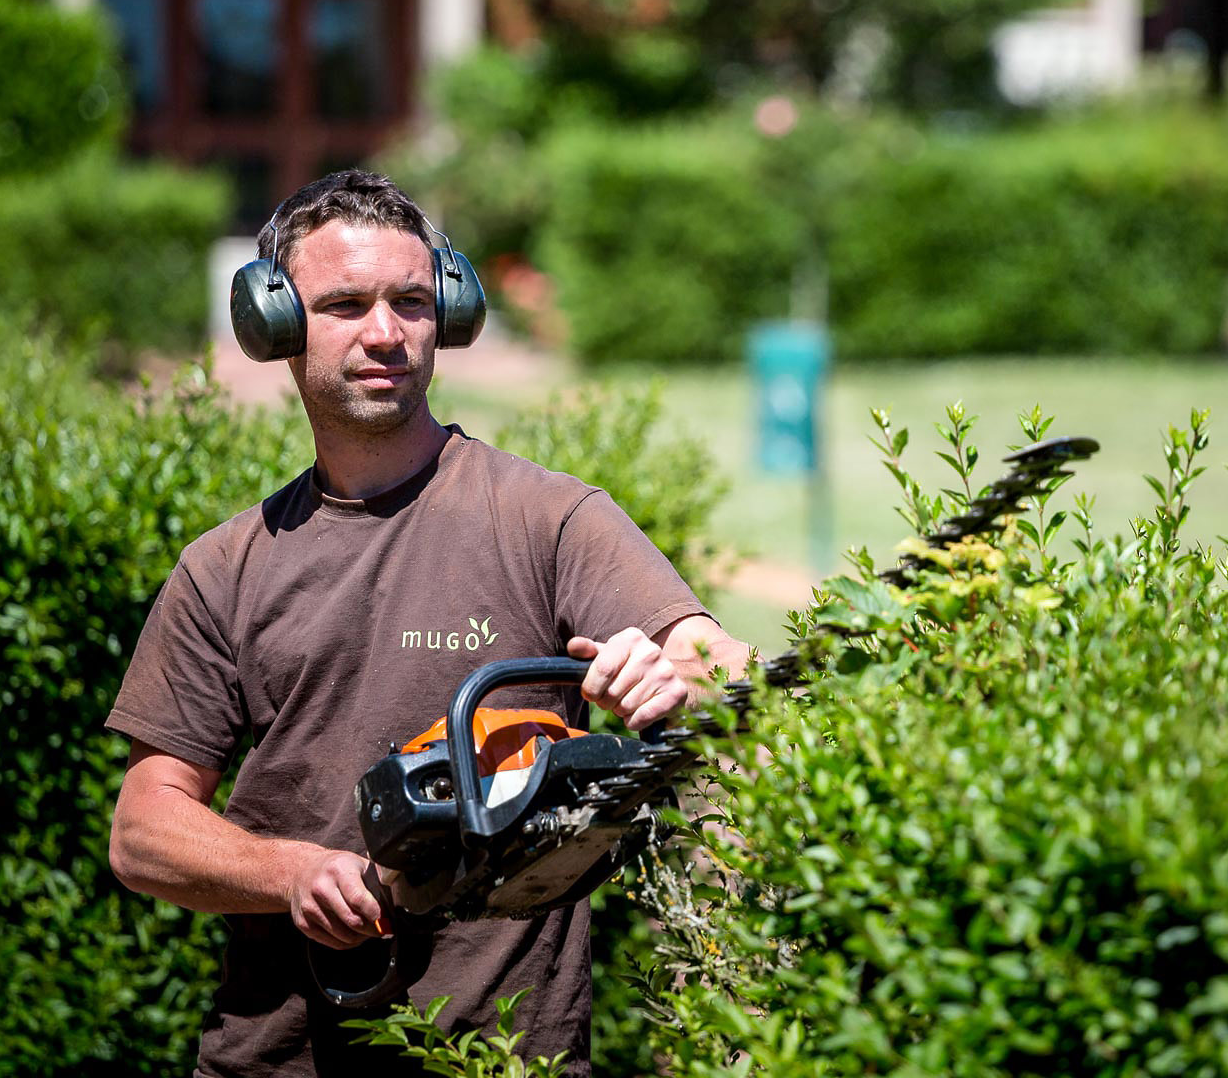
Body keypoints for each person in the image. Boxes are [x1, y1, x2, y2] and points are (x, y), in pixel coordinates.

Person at [106, 169, 750, 1077]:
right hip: (280, 1056)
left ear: (448, 312)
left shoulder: (547, 519)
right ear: (275, 324)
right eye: (345, 304)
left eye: (411, 302)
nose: (385, 333)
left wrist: (677, 673)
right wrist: (292, 873)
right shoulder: (227, 567)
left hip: (507, 1059)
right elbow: (143, 829)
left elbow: (721, 659)